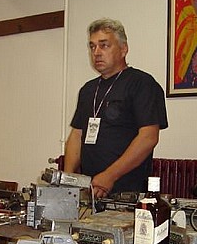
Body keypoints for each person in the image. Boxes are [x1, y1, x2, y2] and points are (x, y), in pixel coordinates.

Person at [63, 18, 168, 198]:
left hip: (127, 193)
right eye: (92, 46)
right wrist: (68, 180)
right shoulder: (87, 90)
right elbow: (77, 135)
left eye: (104, 45)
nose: (96, 52)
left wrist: (109, 176)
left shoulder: (142, 83)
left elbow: (148, 137)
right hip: (90, 191)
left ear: (123, 49)